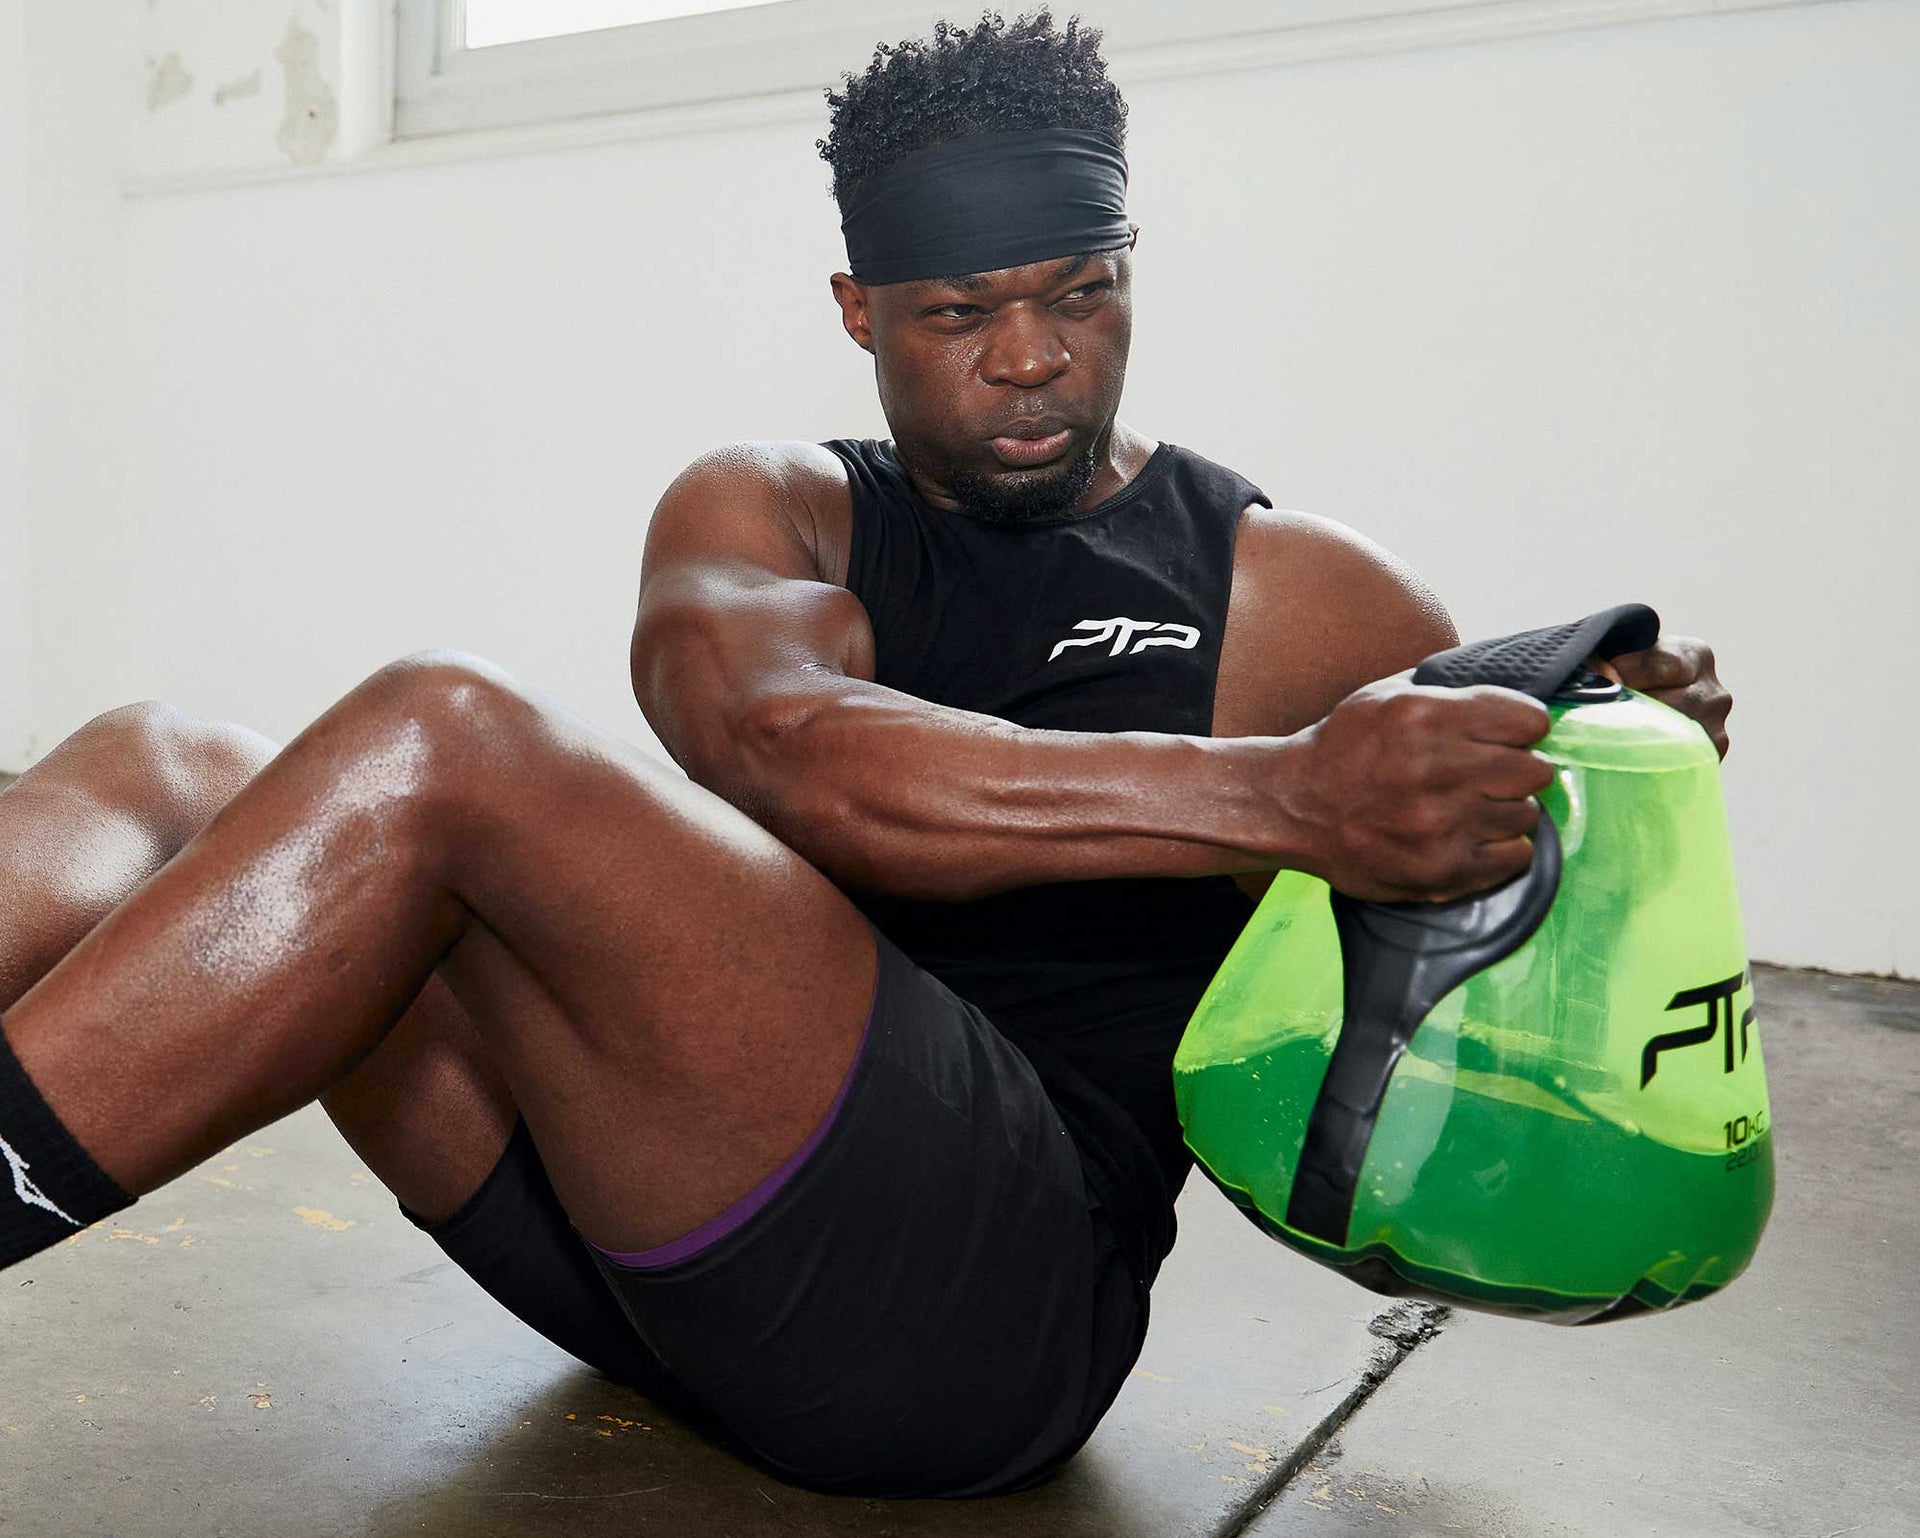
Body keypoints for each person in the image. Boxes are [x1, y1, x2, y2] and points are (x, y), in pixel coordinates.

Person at [0, 9, 1732, 1504]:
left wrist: (1610, 741)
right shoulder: (771, 514)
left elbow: (1504, 852)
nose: (1032, 355)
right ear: (858, 308)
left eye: (1081, 293)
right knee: (173, 758)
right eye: (959, 313)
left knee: (442, 734)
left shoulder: (1299, 596)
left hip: (967, 1335)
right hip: (642, 1247)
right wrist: (1278, 793)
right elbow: (787, 754)